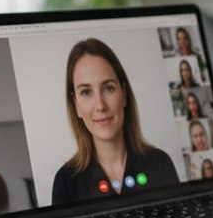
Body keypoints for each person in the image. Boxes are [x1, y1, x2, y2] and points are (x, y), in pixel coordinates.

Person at [51, 38, 178, 205]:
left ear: (124, 95)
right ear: (76, 106)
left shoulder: (161, 164)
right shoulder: (65, 182)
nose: (100, 105)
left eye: (108, 88)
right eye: (86, 92)